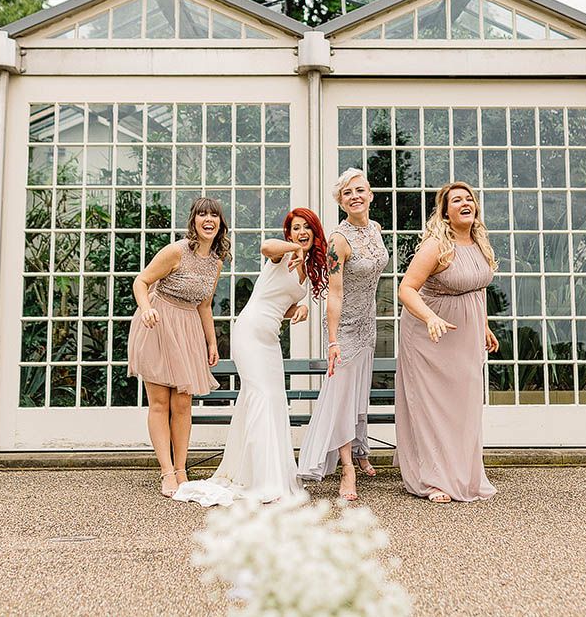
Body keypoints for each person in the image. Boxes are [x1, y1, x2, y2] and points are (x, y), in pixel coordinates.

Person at [174, 208, 329, 506]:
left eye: (306, 228)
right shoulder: (282, 255)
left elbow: (278, 305)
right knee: (260, 397)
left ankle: (261, 474)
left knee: (269, 401)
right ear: (290, 234)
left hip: (270, 340)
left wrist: (299, 309)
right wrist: (293, 247)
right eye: (296, 228)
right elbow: (265, 246)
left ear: (315, 232)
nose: (301, 233)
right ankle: (261, 480)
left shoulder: (308, 272)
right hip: (248, 334)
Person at [394, 181, 499, 503]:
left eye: (469, 199)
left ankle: (465, 475)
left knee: (463, 407)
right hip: (429, 337)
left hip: (465, 337)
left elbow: (477, 287)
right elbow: (406, 289)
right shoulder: (437, 246)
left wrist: (483, 325)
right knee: (433, 407)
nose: (465, 203)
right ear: (445, 212)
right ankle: (433, 480)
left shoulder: (480, 244)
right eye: (457, 200)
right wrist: (430, 318)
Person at [127, 197, 228, 498]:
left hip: (188, 329)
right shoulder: (175, 251)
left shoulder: (216, 263)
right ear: (194, 221)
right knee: (160, 402)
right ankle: (167, 471)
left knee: (183, 403)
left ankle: (182, 468)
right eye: (202, 214)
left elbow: (206, 304)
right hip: (158, 323)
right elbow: (141, 281)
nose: (208, 219)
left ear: (220, 224)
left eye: (214, 215)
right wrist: (145, 309)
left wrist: (211, 342)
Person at [297, 169, 389, 501]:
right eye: (347, 193)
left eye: (360, 190)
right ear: (341, 201)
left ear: (370, 195)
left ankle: (360, 449)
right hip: (345, 329)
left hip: (369, 325)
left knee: (357, 393)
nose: (355, 196)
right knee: (341, 398)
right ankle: (347, 468)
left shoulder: (377, 230)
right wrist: (333, 340)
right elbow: (334, 294)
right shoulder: (339, 240)